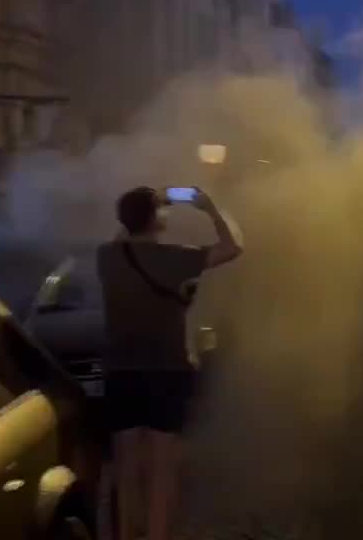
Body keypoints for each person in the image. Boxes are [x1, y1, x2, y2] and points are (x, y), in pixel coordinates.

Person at [98, 187, 243, 540]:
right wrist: (210, 206)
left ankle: (126, 534)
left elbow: (123, 237)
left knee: (127, 465)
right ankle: (156, 535)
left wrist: (140, 209)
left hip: (120, 372)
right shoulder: (174, 258)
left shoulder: (106, 256)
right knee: (163, 469)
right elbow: (233, 246)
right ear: (156, 219)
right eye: (162, 208)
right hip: (165, 371)